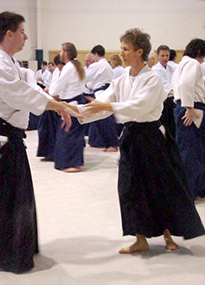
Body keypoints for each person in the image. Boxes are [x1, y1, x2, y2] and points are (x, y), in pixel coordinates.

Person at [67, 28, 205, 253]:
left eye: (125, 49)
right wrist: (73, 111)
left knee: (159, 186)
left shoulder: (153, 79)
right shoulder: (120, 81)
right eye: (121, 48)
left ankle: (168, 235)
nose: (121, 53)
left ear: (139, 51)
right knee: (130, 188)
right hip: (130, 137)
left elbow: (140, 106)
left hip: (151, 137)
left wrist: (108, 106)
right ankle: (140, 238)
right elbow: (102, 104)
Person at [0, 11, 81, 274]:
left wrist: (55, 104)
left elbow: (30, 87)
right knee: (4, 197)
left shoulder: (10, 63)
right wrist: (59, 106)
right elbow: (22, 95)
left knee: (13, 196)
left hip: (9, 136)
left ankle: (13, 245)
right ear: (9, 34)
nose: (25, 36)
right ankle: (5, 252)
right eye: (21, 31)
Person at [172, 38, 205, 200]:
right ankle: (190, 192)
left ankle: (198, 189)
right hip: (191, 107)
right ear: (199, 52)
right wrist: (190, 107)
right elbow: (185, 85)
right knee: (191, 153)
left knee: (194, 150)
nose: (203, 60)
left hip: (184, 106)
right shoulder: (193, 63)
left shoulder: (180, 65)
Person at [47, 42, 86, 172]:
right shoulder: (77, 65)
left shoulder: (69, 67)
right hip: (78, 101)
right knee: (75, 134)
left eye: (61, 50)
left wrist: (50, 90)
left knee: (67, 134)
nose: (59, 53)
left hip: (71, 104)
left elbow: (57, 88)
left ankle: (70, 163)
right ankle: (76, 162)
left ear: (66, 53)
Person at [85, 44, 119, 151]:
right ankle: (104, 142)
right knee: (101, 118)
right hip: (106, 91)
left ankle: (112, 144)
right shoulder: (107, 65)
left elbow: (84, 77)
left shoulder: (97, 65)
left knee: (105, 119)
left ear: (95, 54)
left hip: (101, 93)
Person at [36, 55, 64, 161]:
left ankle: (55, 153)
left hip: (60, 102)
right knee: (44, 130)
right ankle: (48, 153)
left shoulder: (68, 70)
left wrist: (50, 91)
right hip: (51, 102)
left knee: (56, 131)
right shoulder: (57, 72)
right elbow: (53, 86)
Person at [153, 45, 176, 138]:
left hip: (173, 99)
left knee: (173, 126)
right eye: (162, 56)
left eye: (167, 55)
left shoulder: (172, 68)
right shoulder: (155, 70)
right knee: (165, 126)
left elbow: (175, 82)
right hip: (163, 101)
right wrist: (175, 92)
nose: (165, 58)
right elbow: (164, 85)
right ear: (158, 56)